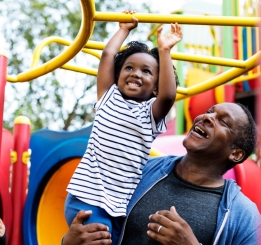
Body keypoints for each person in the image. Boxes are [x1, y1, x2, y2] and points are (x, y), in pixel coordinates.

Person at [63, 102, 260, 245]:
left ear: (236, 153)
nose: (206, 117)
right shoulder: (139, 170)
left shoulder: (243, 215)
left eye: (223, 121)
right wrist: (68, 242)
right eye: (209, 111)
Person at [65, 10, 183, 242]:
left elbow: (169, 95)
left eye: (146, 71)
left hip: (117, 207)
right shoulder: (109, 98)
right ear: (118, 75)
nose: (135, 74)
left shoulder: (150, 115)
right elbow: (108, 54)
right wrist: (123, 29)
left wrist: (165, 51)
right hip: (89, 199)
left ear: (156, 87)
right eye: (129, 68)